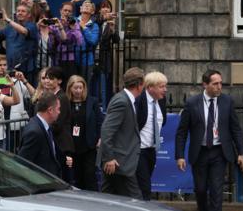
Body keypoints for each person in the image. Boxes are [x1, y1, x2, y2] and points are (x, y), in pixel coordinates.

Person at [175, 69, 243, 211]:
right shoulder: (192, 103)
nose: (219, 87)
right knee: (200, 190)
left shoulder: (227, 101)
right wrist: (180, 156)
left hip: (219, 152)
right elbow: (182, 132)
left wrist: (241, 153)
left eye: (220, 83)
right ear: (205, 85)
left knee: (216, 190)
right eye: (215, 84)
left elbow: (236, 129)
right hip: (200, 152)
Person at [97, 67, 145, 199]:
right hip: (118, 163)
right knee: (135, 201)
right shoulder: (122, 101)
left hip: (119, 162)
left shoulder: (125, 99)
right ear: (139, 84)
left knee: (109, 200)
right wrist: (109, 158)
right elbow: (107, 130)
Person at [134, 71, 167, 200]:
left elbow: (161, 122)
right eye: (161, 86)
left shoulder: (161, 101)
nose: (165, 90)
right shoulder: (139, 101)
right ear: (150, 87)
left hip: (151, 150)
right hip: (138, 150)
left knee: (144, 185)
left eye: (165, 86)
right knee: (145, 187)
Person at [66, 75, 103, 191]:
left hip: (88, 144)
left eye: (80, 88)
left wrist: (100, 137)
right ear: (70, 88)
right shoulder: (66, 102)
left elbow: (99, 121)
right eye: (75, 88)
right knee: (77, 176)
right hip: (73, 146)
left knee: (90, 174)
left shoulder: (92, 102)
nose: (78, 91)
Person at [18, 92, 62, 176]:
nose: (59, 112)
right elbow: (23, 163)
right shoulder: (34, 132)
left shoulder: (46, 127)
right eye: (58, 109)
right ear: (50, 110)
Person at [46, 67, 74, 182]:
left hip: (62, 145)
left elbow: (58, 124)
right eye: (46, 78)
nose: (47, 81)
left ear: (59, 81)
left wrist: (43, 130)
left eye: (51, 79)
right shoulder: (51, 96)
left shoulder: (62, 98)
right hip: (56, 143)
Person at [0, 5, 38, 84]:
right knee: (8, 86)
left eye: (23, 11)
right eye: (18, 11)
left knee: (27, 93)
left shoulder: (32, 26)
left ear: (29, 14)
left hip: (26, 69)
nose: (20, 13)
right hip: (10, 69)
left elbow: (24, 31)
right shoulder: (9, 28)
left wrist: (7, 20)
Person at [94, 0, 120, 110]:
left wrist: (113, 30)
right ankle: (96, 105)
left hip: (105, 56)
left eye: (108, 7)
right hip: (93, 54)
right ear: (99, 10)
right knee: (94, 81)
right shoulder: (95, 19)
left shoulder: (111, 23)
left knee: (105, 82)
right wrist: (105, 18)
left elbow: (116, 41)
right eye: (103, 7)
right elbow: (97, 21)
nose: (105, 9)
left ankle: (105, 107)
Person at [58, 1, 83, 79]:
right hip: (57, 58)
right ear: (60, 11)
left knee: (70, 82)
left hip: (70, 59)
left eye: (69, 11)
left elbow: (80, 41)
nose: (67, 13)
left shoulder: (74, 24)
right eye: (65, 10)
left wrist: (73, 29)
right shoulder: (56, 22)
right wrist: (62, 25)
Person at [76, 0, 99, 84]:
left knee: (85, 85)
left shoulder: (94, 26)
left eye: (88, 5)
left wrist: (84, 28)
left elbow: (93, 41)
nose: (86, 6)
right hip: (73, 58)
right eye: (84, 5)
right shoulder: (74, 21)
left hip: (87, 61)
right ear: (80, 9)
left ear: (92, 11)